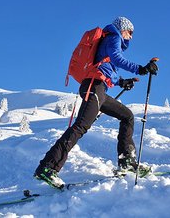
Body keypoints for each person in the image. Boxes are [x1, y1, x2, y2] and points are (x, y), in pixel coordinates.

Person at [34, 16, 158, 188]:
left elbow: (105, 69)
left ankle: (126, 161)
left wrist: (122, 82)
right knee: (80, 127)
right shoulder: (113, 37)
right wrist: (141, 69)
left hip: (97, 88)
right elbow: (116, 58)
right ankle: (47, 168)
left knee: (127, 116)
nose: (131, 37)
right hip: (94, 87)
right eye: (130, 32)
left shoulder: (107, 41)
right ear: (123, 29)